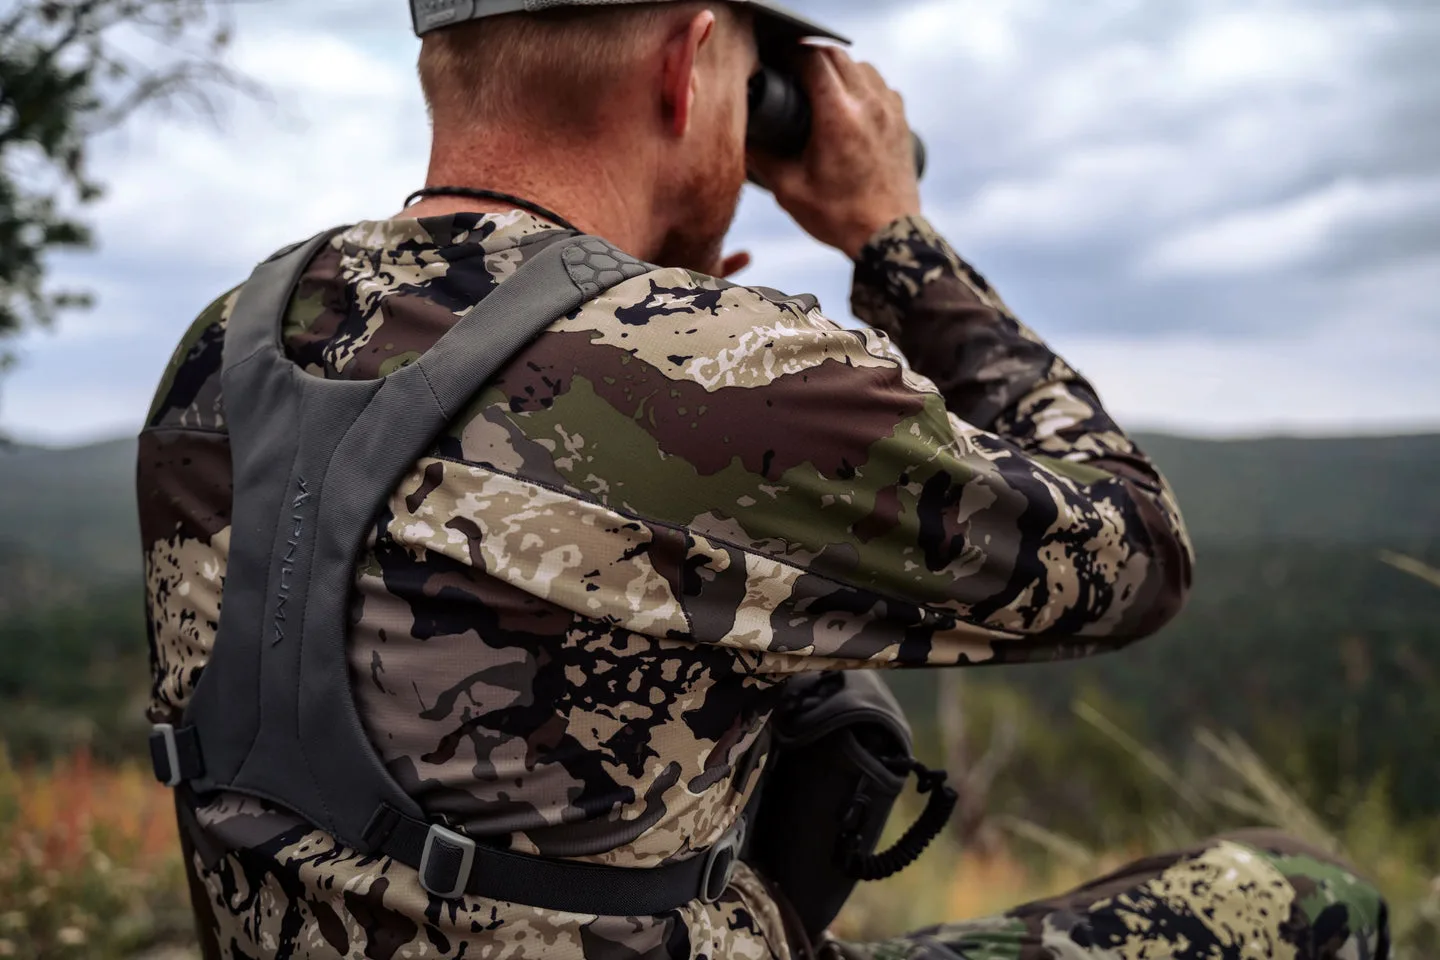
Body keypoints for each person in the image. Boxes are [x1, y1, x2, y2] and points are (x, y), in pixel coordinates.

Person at [136, 1, 1389, 957]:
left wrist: (644, 286)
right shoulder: (725, 362)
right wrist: (895, 238)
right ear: (688, 66)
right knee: (1310, 894)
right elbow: (1138, 550)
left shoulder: (231, 339)